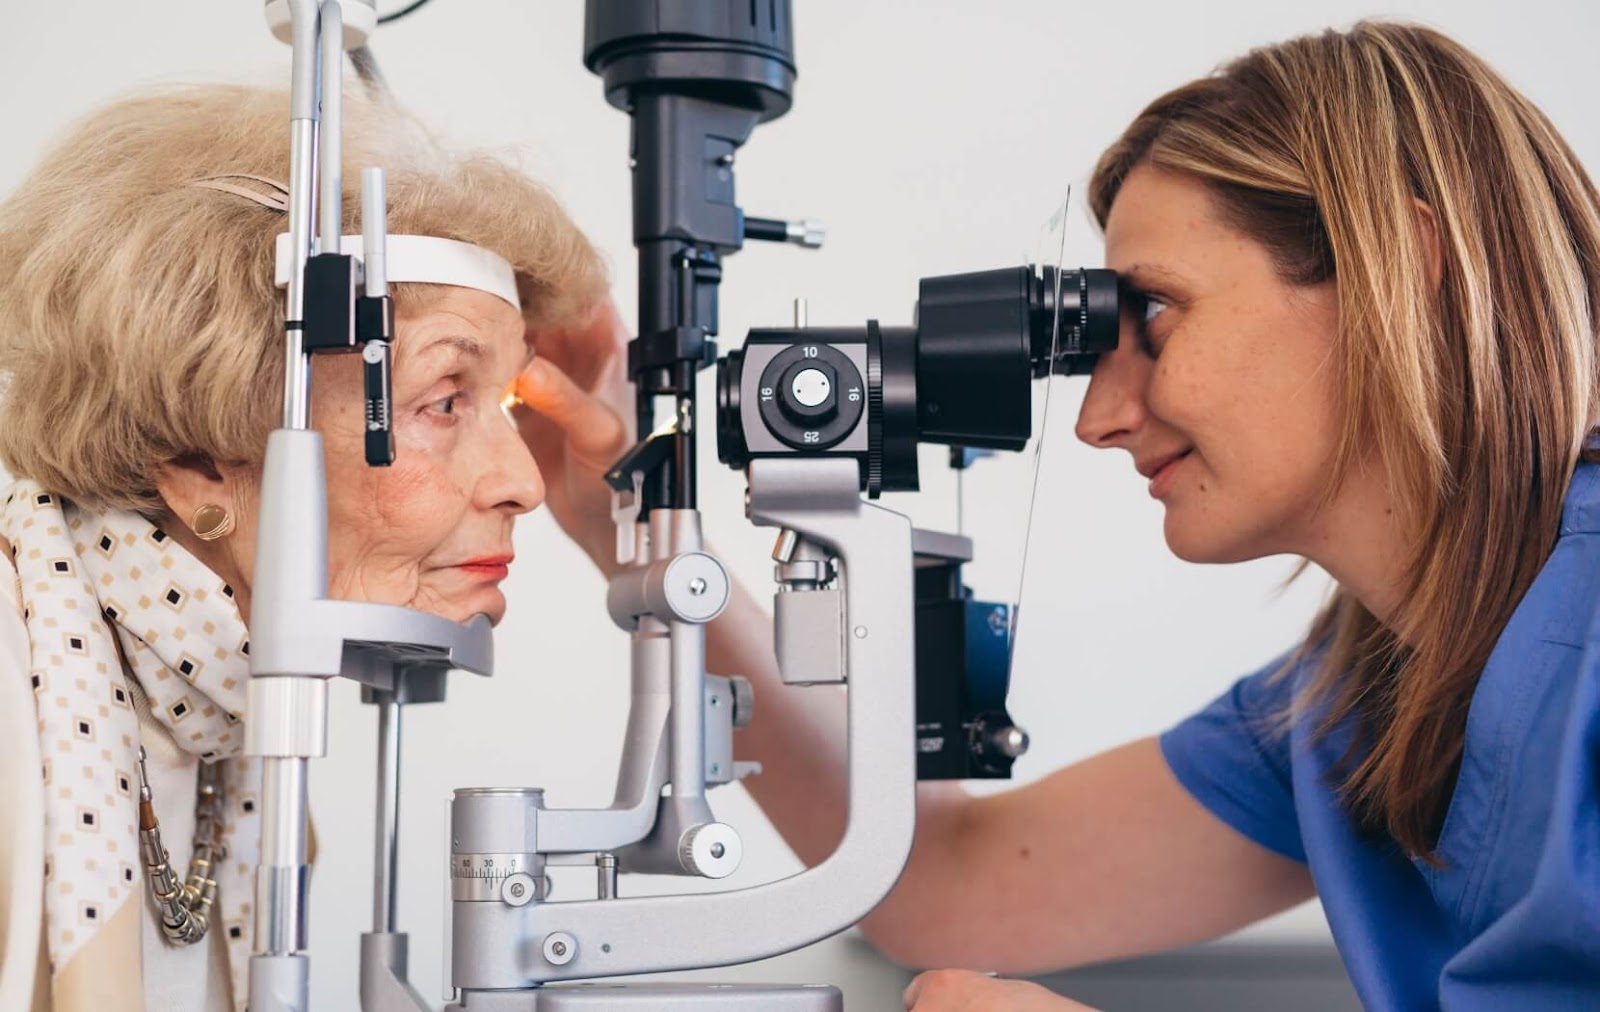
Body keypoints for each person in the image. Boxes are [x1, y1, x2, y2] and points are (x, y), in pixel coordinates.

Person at [516, 19, 1600, 1012]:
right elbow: (943, 886)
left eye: (1156, 313)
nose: (1097, 420)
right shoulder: (1349, 710)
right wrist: (627, 523)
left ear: (1397, 271)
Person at [0, 83, 615, 1011]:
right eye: (444, 401)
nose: (523, 482)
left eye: (509, 408)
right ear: (200, 462)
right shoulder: (14, 689)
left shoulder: (225, 739)